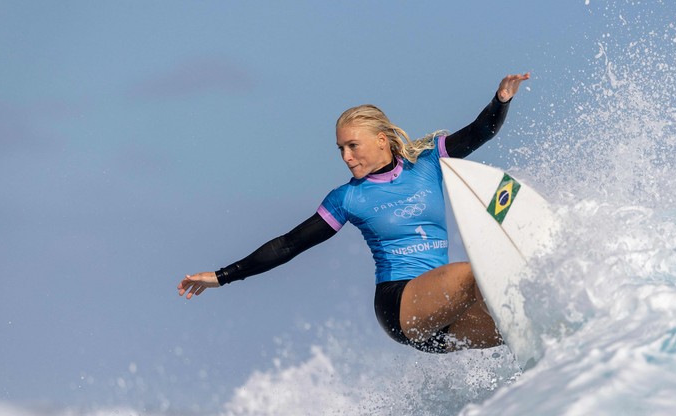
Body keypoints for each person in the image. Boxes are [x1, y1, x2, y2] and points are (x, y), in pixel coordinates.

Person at [178, 73, 530, 354]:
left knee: (520, 332)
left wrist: (501, 100)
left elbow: (479, 132)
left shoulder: (427, 163)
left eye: (352, 146)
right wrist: (222, 275)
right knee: (473, 273)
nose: (346, 157)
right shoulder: (347, 198)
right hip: (400, 305)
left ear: (381, 140)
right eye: (341, 149)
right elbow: (289, 244)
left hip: (441, 317)